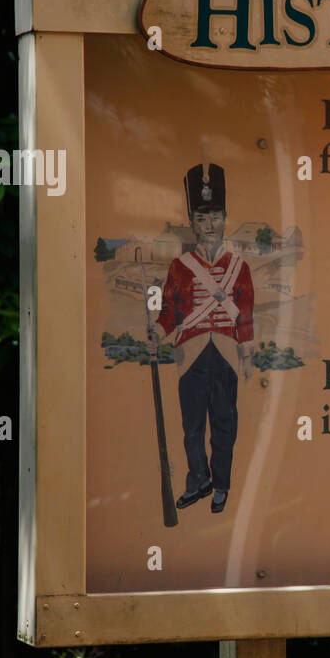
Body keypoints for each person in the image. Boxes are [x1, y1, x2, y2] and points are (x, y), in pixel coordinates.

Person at [148, 162, 254, 513]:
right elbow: (169, 313)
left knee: (224, 424)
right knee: (191, 427)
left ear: (225, 219)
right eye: (202, 219)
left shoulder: (239, 268)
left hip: (224, 355)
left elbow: (247, 314)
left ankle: (221, 484)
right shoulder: (180, 268)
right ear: (192, 223)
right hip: (191, 355)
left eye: (215, 217)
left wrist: (248, 352)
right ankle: (199, 481)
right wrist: (158, 332)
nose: (209, 226)